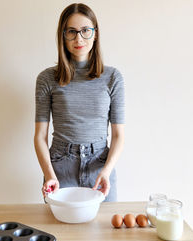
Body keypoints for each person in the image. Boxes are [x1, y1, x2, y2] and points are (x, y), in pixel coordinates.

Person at [34, 3, 125, 202]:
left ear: (95, 33)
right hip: (59, 169)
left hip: (100, 168)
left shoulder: (113, 77)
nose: (79, 38)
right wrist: (50, 175)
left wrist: (106, 171)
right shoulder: (47, 79)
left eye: (85, 30)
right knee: (61, 232)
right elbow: (40, 137)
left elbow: (118, 135)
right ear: (63, 35)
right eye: (72, 32)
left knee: (104, 231)